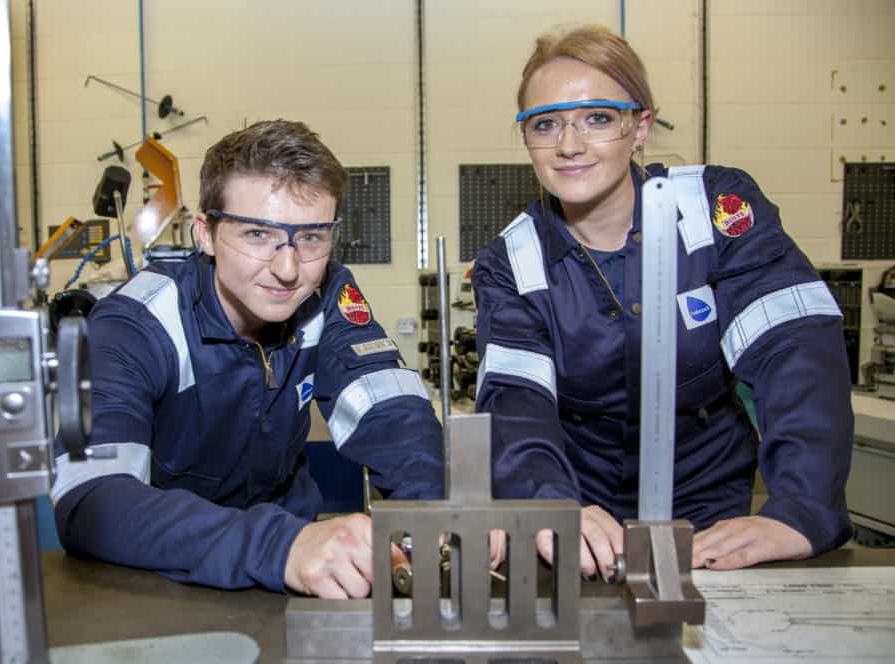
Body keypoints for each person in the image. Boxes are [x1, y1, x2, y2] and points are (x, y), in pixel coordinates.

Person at [473, 25, 853, 581]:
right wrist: (546, 501)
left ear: (640, 125)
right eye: (546, 123)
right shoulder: (511, 260)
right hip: (579, 510)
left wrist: (801, 507)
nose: (569, 145)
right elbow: (515, 402)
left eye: (597, 118)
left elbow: (795, 351)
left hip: (707, 505)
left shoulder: (715, 210)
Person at [51, 119, 445, 598]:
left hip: (287, 572)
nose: (287, 269)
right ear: (206, 233)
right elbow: (90, 499)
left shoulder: (326, 292)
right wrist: (280, 548)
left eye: (312, 237)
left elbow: (387, 404)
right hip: (161, 577)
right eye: (258, 234)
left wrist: (433, 505)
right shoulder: (136, 324)